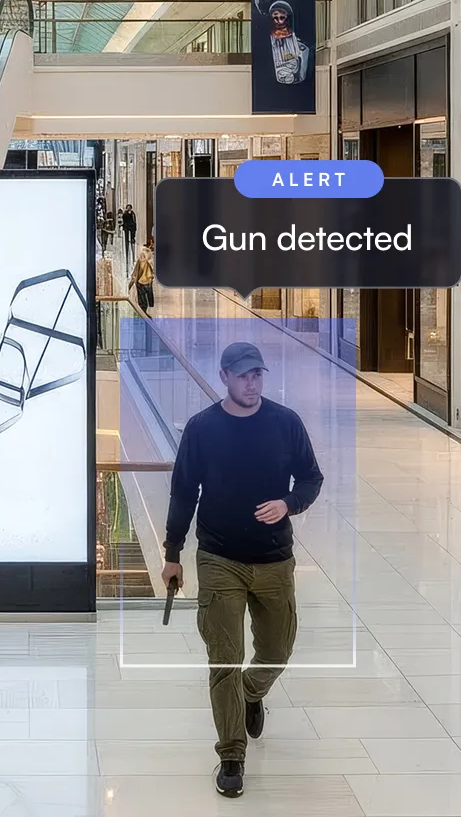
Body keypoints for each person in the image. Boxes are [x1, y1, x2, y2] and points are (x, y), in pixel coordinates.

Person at [162, 342, 324, 799]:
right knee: (224, 659)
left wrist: (289, 503)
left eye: (258, 375)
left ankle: (252, 693)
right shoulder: (202, 429)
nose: (252, 383)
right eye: (243, 376)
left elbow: (311, 478)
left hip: (274, 560)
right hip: (219, 560)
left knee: (278, 649)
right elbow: (182, 494)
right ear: (224, 378)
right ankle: (231, 753)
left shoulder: (285, 423)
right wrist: (173, 552)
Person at [129, 247, 155, 313]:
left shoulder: (140, 262)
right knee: (147, 300)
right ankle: (146, 313)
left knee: (143, 303)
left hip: (141, 284)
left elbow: (135, 274)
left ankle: (144, 314)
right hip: (146, 283)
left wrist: (129, 286)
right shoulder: (148, 263)